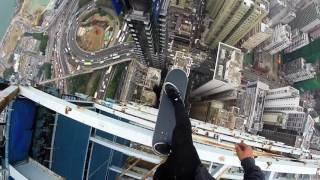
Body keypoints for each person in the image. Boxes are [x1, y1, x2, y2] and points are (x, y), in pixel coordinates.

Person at [154, 82, 265, 180]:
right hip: (194, 175)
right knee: (183, 133)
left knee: (161, 173)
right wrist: (248, 163)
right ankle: (177, 100)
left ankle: (172, 154)